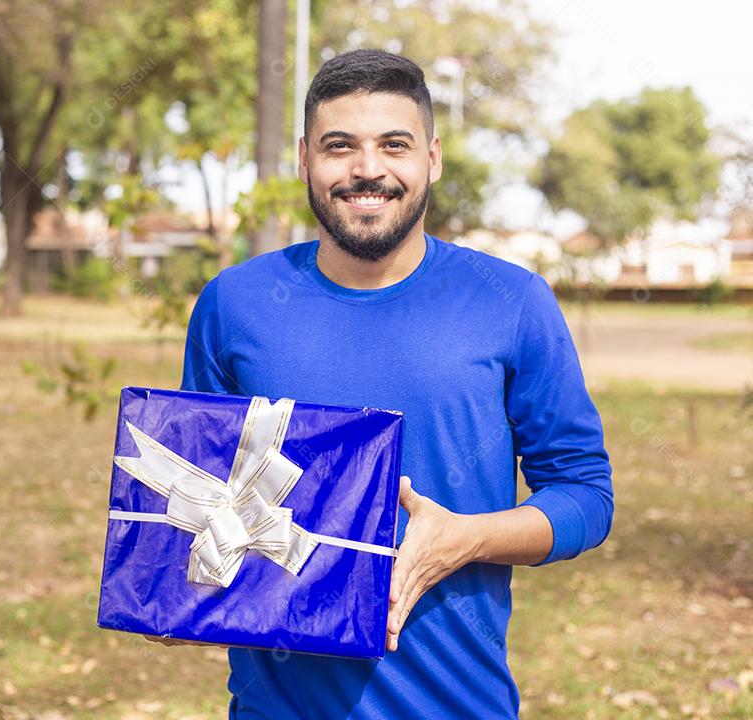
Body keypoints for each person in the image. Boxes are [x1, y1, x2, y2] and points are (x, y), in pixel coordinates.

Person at [175, 49, 614, 719]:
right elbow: (199, 500)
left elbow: (587, 497)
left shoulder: (513, 302)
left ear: (431, 158)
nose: (367, 168)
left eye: (394, 145)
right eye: (339, 146)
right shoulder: (234, 304)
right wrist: (169, 576)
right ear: (303, 159)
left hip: (459, 704)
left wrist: (466, 538)